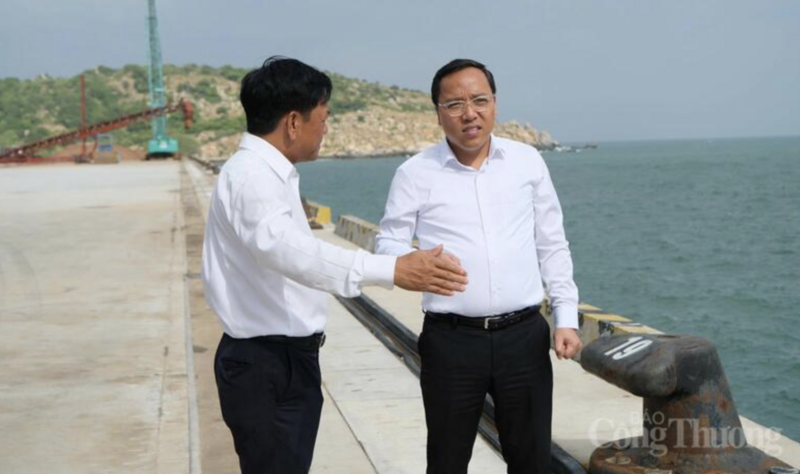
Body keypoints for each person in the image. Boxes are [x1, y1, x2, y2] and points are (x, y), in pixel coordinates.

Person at [201, 56, 468, 474]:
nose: (325, 129)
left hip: (280, 360)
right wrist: (390, 269)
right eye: (322, 118)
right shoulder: (252, 177)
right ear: (293, 122)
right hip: (266, 364)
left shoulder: (268, 173)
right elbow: (287, 251)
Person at [376, 58, 582, 474]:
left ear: (495, 104)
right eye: (455, 104)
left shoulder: (527, 162)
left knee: (532, 462)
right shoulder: (414, 173)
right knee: (448, 461)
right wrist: (410, 264)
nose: (469, 113)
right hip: (451, 343)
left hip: (524, 338)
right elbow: (388, 243)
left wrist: (565, 316)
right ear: (438, 112)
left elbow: (552, 243)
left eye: (479, 100)